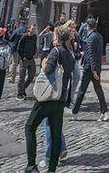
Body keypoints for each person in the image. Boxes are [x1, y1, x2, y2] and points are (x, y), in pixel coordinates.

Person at [24, 25, 74, 173]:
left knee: (29, 127)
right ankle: (52, 168)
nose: (52, 37)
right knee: (56, 134)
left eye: (54, 36)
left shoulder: (56, 52)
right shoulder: (69, 55)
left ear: (57, 38)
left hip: (47, 98)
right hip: (60, 99)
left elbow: (48, 70)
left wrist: (44, 64)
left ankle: (31, 165)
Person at [69, 18, 108, 119]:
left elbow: (90, 54)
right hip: (97, 66)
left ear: (87, 26)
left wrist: (93, 69)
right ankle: (104, 111)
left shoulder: (90, 38)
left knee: (82, 90)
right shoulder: (99, 36)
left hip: (90, 67)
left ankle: (75, 111)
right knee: (98, 89)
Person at [16, 24, 38, 101]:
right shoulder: (24, 36)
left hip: (31, 58)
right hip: (24, 59)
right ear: (29, 29)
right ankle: (19, 93)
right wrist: (22, 57)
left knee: (32, 75)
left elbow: (34, 45)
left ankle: (23, 88)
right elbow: (19, 47)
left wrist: (35, 53)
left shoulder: (34, 36)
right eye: (32, 29)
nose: (33, 30)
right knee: (22, 77)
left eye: (34, 29)